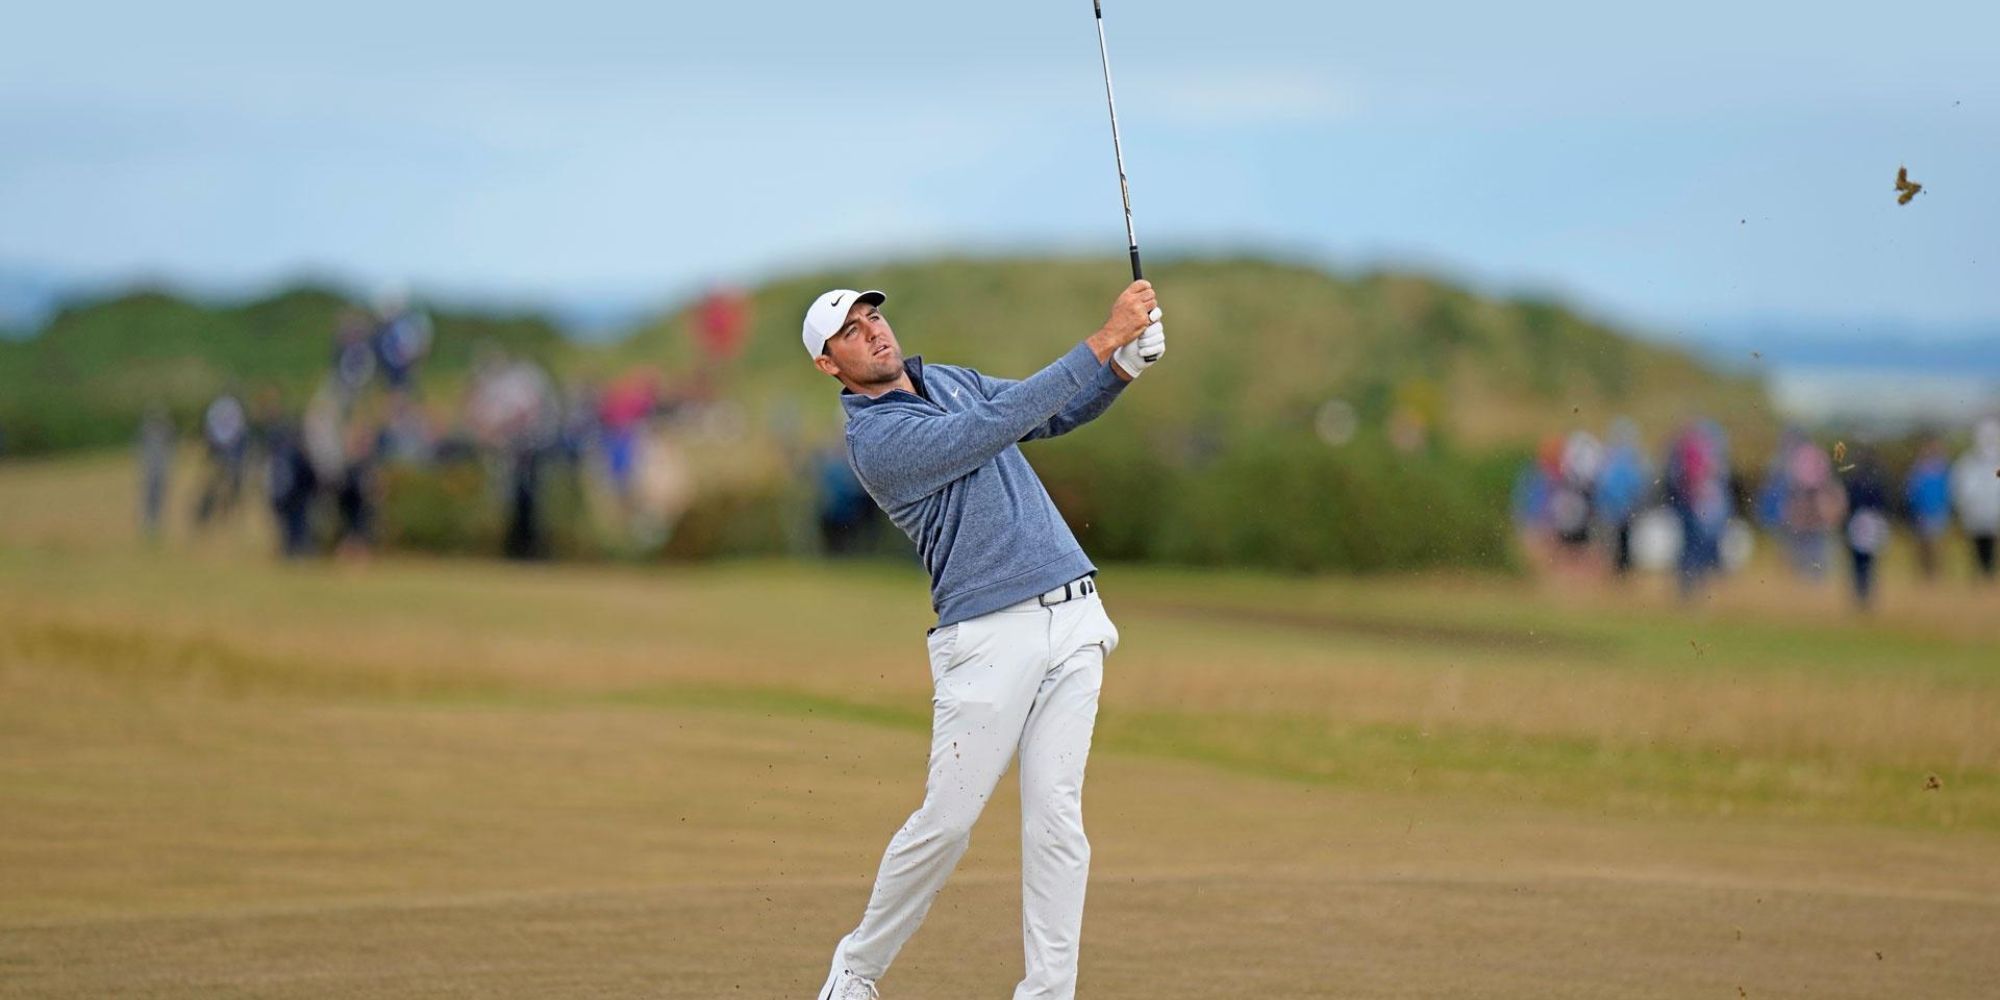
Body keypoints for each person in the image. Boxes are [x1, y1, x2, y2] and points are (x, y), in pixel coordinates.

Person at [808, 281, 1165, 1000]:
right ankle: (856, 970)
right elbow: (992, 426)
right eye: (850, 331)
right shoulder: (876, 442)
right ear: (829, 366)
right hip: (987, 636)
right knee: (947, 823)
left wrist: (1125, 368)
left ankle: (1048, 993)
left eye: (873, 316)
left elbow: (1051, 412)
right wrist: (1103, 338)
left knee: (1058, 820)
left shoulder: (948, 379)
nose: (873, 332)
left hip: (1074, 617)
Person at [1952, 417, 2000, 581]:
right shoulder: (1967, 462)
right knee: (1977, 546)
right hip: (1975, 513)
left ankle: (1989, 574)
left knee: (1990, 546)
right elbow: (1961, 487)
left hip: (1993, 513)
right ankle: (1980, 574)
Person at [1905, 439, 1953, 580]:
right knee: (1924, 546)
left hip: (1938, 512)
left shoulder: (1943, 470)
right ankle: (1925, 573)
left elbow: (1948, 492)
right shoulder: (1918, 470)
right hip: (1922, 513)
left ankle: (1936, 573)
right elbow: (1912, 492)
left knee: (1937, 545)